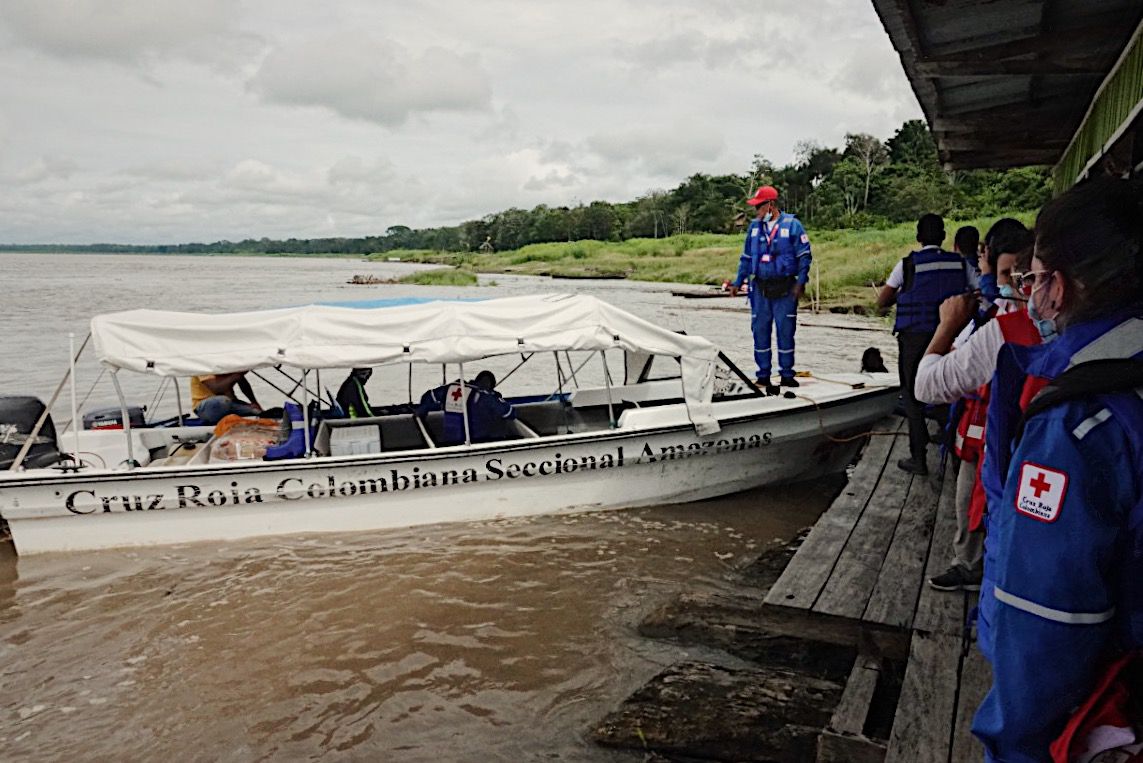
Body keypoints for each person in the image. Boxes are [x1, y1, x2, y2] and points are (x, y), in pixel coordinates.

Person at [972, 177, 1143, 762]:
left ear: (1056, 287)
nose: (1030, 295)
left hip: (1103, 709)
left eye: (1033, 279)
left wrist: (1012, 746)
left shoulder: (1079, 426)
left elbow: (1048, 618)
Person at [914, 224, 1035, 592]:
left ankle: (977, 568)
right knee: (970, 497)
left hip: (1003, 434)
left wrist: (946, 327)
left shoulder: (1006, 327)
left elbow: (927, 387)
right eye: (1007, 276)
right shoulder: (995, 318)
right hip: (980, 426)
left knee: (986, 501)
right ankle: (973, 563)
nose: (1016, 288)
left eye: (1025, 278)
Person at [877, 213, 977, 475]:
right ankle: (952, 451)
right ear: (944, 237)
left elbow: (882, 301)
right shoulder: (960, 264)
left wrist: (905, 294)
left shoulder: (907, 265)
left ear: (918, 237)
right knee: (947, 391)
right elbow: (978, 294)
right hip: (949, 336)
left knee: (912, 397)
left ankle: (918, 459)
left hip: (914, 338)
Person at [728, 185, 812, 391]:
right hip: (760, 288)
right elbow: (746, 258)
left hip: (785, 288)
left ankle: (786, 375)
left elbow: (804, 256)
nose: (756, 211)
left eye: (759, 206)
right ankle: (763, 375)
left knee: (785, 331)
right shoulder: (754, 228)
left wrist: (801, 282)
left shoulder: (793, 226)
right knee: (760, 331)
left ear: (771, 205)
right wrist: (738, 282)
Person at [415, 370, 516, 444]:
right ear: (489, 385)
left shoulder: (451, 388)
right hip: (475, 442)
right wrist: (495, 396)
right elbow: (509, 413)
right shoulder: (485, 396)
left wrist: (426, 408)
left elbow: (428, 396)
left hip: (449, 441)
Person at [190, 371, 261, 426]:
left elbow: (242, 382)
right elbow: (216, 389)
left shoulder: (229, 364)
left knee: (258, 412)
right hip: (205, 405)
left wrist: (254, 402)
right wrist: (236, 375)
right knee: (222, 401)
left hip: (230, 403)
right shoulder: (204, 366)